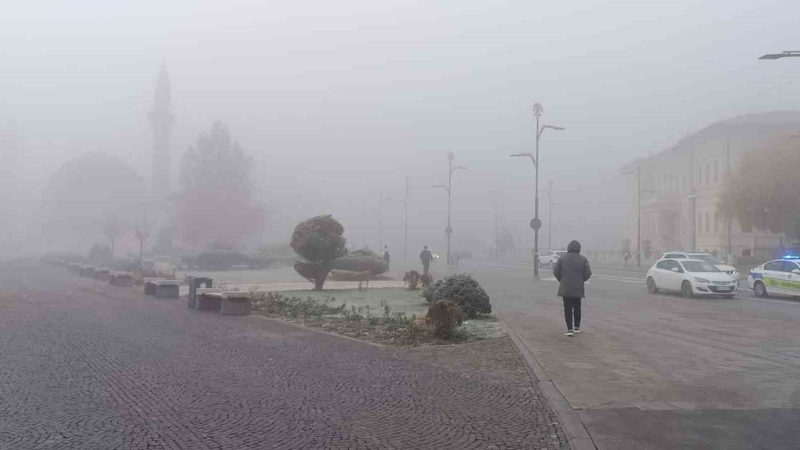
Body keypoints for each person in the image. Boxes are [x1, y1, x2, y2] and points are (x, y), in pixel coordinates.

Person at [553, 240, 592, 337]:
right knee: (577, 307)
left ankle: (569, 329)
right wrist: (581, 280)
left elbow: (555, 271)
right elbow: (588, 273)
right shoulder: (583, 259)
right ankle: (577, 327)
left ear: (569, 247)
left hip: (566, 287)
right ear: (579, 248)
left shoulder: (562, 258)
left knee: (568, 308)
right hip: (578, 288)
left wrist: (561, 280)